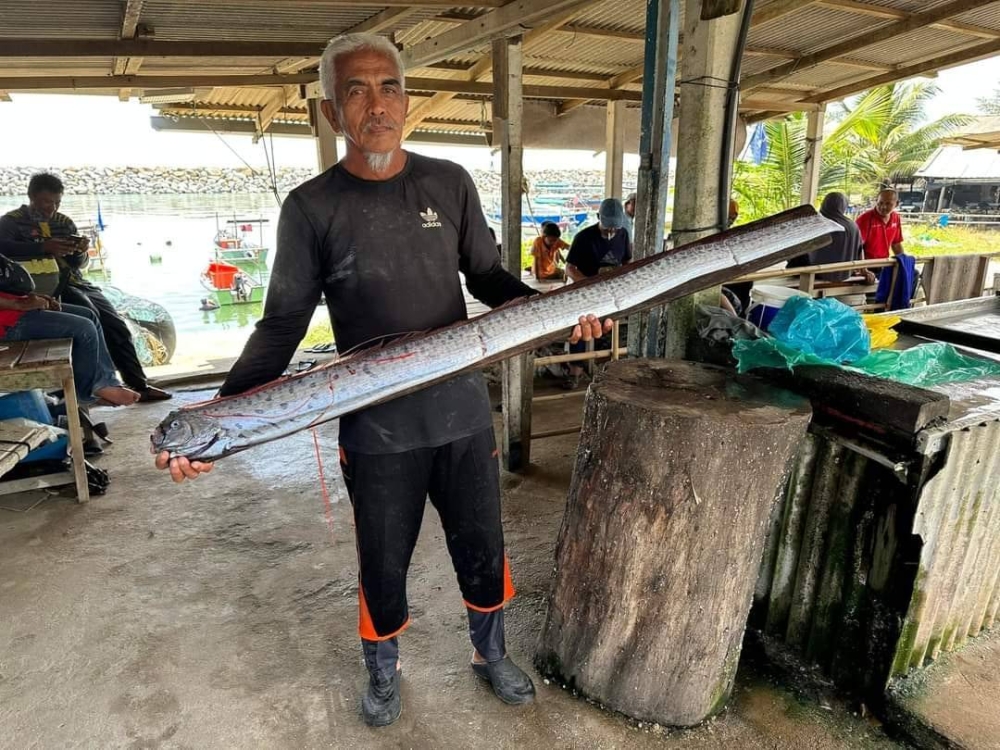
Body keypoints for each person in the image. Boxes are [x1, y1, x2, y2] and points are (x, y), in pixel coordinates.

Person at [153, 32, 611, 728]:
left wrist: (559, 314)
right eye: (357, 91)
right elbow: (280, 326)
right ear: (333, 112)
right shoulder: (311, 208)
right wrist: (221, 416)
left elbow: (489, 280)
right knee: (383, 558)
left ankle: (490, 653)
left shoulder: (448, 183)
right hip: (376, 427)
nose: (377, 104)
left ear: (407, 100)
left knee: (483, 545)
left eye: (389, 86)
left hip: (460, 413)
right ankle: (384, 669)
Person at [0, 173, 171, 402]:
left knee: (114, 322)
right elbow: (4, 250)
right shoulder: (11, 222)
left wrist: (79, 252)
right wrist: (43, 248)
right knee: (86, 319)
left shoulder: (63, 222)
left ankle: (136, 382)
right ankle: (93, 388)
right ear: (31, 196)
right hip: (37, 286)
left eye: (57, 202)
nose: (52, 207)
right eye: (46, 202)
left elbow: (79, 264)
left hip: (73, 280)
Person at [0, 247, 139, 407]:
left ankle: (104, 382)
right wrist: (19, 304)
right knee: (84, 328)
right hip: (7, 324)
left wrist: (35, 298)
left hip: (13, 310)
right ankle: (86, 394)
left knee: (88, 315)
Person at [786, 192, 869, 283]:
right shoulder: (853, 226)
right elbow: (860, 250)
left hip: (817, 274)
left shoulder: (816, 223)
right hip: (844, 275)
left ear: (824, 204)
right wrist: (864, 270)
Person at [856, 188, 905, 265]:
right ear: (876, 201)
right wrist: (863, 269)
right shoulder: (864, 219)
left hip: (884, 262)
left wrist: (904, 262)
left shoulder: (896, 218)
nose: (883, 207)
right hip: (867, 264)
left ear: (897, 204)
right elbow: (857, 247)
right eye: (880, 203)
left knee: (913, 273)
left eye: (888, 204)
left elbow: (896, 244)